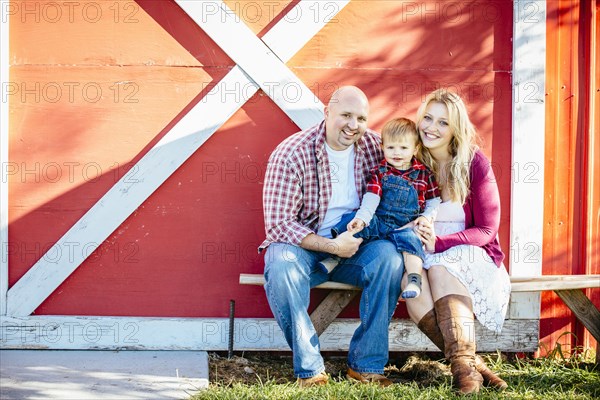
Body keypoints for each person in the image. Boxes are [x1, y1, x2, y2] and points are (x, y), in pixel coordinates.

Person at [259, 86, 404, 388]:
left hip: (358, 246)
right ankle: (310, 370)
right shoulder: (292, 153)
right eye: (346, 116)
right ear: (327, 114)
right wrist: (332, 245)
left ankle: (366, 365)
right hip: (308, 249)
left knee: (389, 259)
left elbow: (416, 171)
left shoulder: (377, 147)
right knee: (280, 262)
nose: (353, 125)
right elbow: (278, 225)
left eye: (361, 118)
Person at [405, 88, 512, 394]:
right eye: (427, 118)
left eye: (442, 122)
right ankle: (470, 366)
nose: (431, 128)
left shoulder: (473, 163)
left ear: (455, 129)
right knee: (412, 293)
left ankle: (466, 376)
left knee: (440, 269)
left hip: (469, 252)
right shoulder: (413, 162)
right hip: (422, 252)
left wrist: (439, 244)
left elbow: (487, 229)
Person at [318, 117, 441, 300]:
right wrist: (362, 218)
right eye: (391, 148)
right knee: (352, 222)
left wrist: (426, 217)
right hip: (380, 220)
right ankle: (336, 257)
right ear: (382, 147)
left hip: (406, 225)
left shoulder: (424, 174)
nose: (396, 153)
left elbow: (433, 200)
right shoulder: (380, 171)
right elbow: (372, 197)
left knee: (412, 243)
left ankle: (414, 279)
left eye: (403, 148)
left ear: (415, 149)